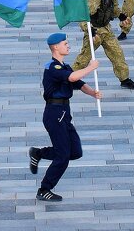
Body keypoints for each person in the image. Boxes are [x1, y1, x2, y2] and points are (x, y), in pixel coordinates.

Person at [28, 32, 102, 201]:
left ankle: (38, 153)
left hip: (64, 113)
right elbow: (72, 77)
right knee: (63, 156)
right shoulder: (53, 67)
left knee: (75, 151)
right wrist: (91, 67)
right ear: (55, 47)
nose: (68, 46)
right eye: (65, 43)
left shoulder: (65, 66)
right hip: (54, 113)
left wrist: (93, 93)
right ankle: (44, 189)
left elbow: (78, 83)